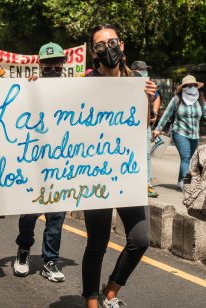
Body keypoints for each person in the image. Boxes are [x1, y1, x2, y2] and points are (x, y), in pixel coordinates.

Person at [83, 24, 156, 308]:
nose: (108, 48)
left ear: (121, 45)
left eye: (112, 42)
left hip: (127, 174)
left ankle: (110, 290)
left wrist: (147, 100)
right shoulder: (85, 84)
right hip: (96, 175)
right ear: (94, 52)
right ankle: (91, 301)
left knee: (140, 239)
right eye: (101, 45)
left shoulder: (137, 81)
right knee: (97, 244)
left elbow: (144, 125)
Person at [12, 42, 67, 283]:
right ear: (41, 65)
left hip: (62, 163)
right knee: (29, 214)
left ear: (64, 64)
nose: (53, 67)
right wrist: (27, 89)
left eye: (58, 63)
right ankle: (23, 251)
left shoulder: (74, 89)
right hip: (33, 162)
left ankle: (49, 261)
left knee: (57, 215)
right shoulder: (30, 87)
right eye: (49, 64)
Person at [153, 75, 205, 190]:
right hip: (180, 132)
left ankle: (181, 181)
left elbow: (205, 114)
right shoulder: (177, 99)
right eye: (189, 85)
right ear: (184, 87)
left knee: (187, 159)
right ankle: (186, 183)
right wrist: (158, 128)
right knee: (186, 157)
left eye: (194, 85)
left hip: (194, 135)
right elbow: (166, 114)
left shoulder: (200, 100)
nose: (192, 87)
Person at [131, 60, 161, 198]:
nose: (145, 72)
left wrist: (154, 113)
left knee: (147, 154)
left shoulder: (149, 84)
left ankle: (147, 184)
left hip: (146, 125)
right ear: (134, 71)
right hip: (130, 125)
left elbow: (156, 97)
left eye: (146, 70)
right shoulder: (128, 83)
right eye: (142, 70)